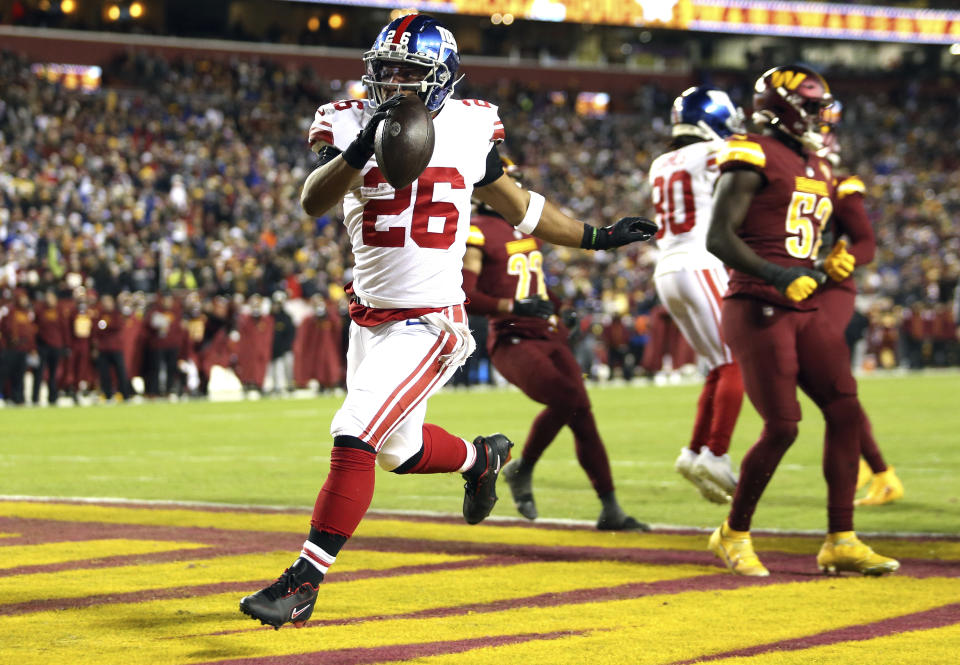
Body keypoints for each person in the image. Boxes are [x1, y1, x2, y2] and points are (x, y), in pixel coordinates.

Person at [239, 13, 656, 630]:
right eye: (387, 71)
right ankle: (480, 459)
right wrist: (359, 149)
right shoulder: (347, 122)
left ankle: (302, 582)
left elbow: (521, 208)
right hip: (371, 320)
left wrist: (596, 236)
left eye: (411, 72)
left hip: (432, 322)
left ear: (439, 80)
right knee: (398, 452)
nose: (396, 83)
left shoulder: (467, 127)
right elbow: (312, 200)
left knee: (354, 434)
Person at [704, 65, 897, 577]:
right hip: (758, 303)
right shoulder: (750, 151)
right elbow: (719, 237)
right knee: (784, 426)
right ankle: (733, 532)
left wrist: (839, 261)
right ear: (783, 106)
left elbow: (853, 237)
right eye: (810, 105)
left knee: (846, 409)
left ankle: (841, 538)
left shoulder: (817, 163)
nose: (818, 114)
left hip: (804, 302)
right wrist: (776, 274)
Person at [463, 158, 647, 531]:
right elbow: (466, 295)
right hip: (513, 336)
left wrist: (563, 310)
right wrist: (512, 306)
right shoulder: (475, 230)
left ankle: (610, 508)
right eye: (508, 182)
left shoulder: (524, 229)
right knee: (568, 398)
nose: (515, 189)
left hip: (548, 332)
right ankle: (523, 468)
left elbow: (536, 285)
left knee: (583, 415)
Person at [649, 87, 746, 503]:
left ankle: (694, 451)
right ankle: (716, 453)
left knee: (716, 365)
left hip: (667, 267)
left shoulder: (660, 162)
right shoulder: (713, 151)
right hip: (700, 262)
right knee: (735, 361)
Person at [814, 103, 904, 507]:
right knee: (825, 388)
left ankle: (879, 471)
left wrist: (846, 258)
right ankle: (871, 465)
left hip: (830, 287)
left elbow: (865, 240)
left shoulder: (838, 183)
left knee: (831, 381)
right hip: (791, 286)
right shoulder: (775, 178)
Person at [32, 288, 69, 405]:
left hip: (56, 346)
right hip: (42, 346)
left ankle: (53, 398)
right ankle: (35, 398)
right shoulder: (40, 310)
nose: (49, 300)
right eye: (47, 297)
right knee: (39, 372)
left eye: (51, 297)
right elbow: (34, 328)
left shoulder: (59, 311)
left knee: (54, 373)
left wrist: (66, 345)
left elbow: (64, 329)